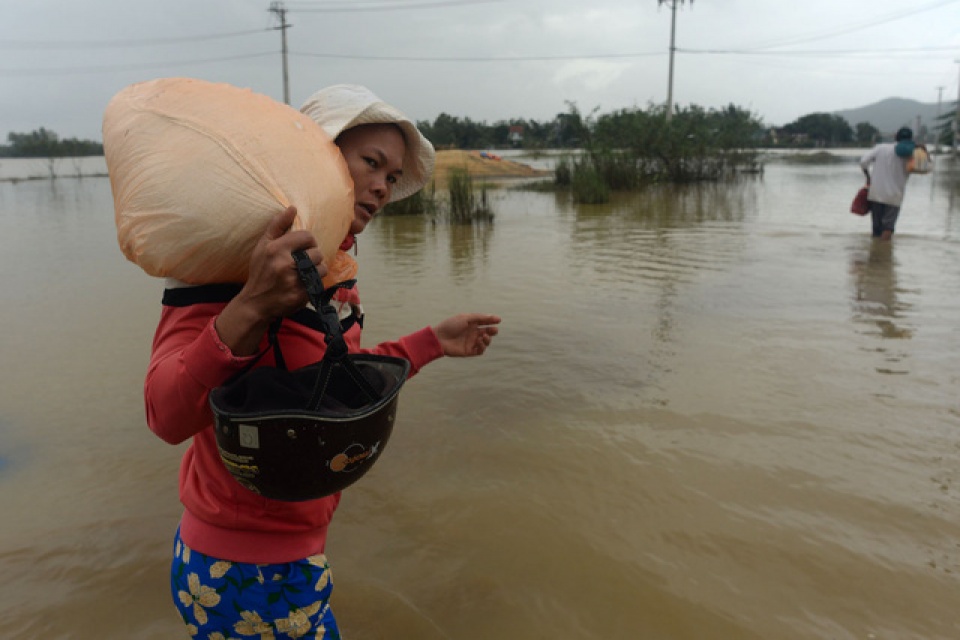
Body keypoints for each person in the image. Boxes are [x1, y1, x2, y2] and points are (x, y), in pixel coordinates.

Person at [145, 84, 501, 639]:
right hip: (240, 567)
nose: (382, 187)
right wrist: (251, 305)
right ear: (319, 157)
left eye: (391, 176)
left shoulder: (331, 265)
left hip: (288, 558)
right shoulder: (237, 262)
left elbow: (334, 382)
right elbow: (164, 415)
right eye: (371, 164)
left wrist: (432, 340)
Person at [859, 126, 915, 241]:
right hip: (895, 195)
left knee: (876, 228)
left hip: (876, 193)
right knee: (888, 227)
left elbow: (863, 162)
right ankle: (884, 253)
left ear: (895, 137)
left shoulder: (881, 148)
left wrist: (868, 178)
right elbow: (925, 167)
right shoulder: (911, 153)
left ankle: (875, 253)